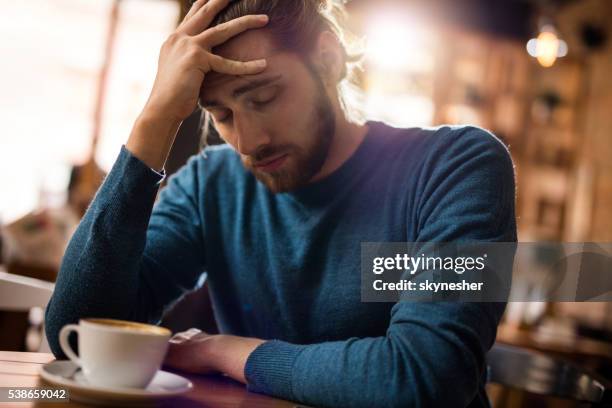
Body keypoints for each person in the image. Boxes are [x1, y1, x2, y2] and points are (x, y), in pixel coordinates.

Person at [45, 0, 517, 407]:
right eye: (222, 114)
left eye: (265, 97)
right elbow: (79, 336)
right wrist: (155, 118)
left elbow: (424, 378)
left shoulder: (458, 166)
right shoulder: (210, 186)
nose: (248, 141)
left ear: (328, 60)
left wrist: (221, 351)